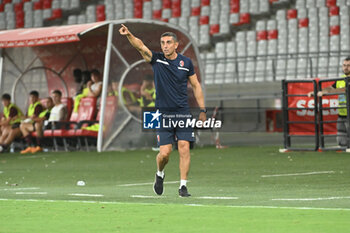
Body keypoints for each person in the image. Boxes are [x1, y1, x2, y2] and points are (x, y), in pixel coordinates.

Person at [120, 24, 206, 197]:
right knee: (165, 154)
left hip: (182, 112)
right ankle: (159, 174)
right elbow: (140, 46)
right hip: (163, 114)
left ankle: (183, 187)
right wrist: (129, 34)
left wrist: (203, 110)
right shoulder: (156, 59)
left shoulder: (186, 63)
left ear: (176, 45)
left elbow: (196, 85)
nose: (165, 45)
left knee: (184, 147)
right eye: (162, 42)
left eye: (168, 42)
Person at [308, 56, 350, 146]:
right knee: (341, 139)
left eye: (348, 65)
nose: (345, 67)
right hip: (342, 113)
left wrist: (326, 93)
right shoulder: (341, 78)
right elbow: (331, 87)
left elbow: (344, 90)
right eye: (344, 65)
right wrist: (318, 91)